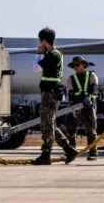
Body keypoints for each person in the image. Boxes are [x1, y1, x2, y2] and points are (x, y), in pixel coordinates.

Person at [31, 27, 78, 165]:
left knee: (47, 124)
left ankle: (46, 154)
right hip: (51, 92)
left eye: (40, 42)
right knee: (50, 123)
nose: (39, 44)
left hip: (50, 93)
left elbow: (35, 68)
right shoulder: (55, 54)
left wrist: (38, 53)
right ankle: (69, 149)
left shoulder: (52, 55)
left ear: (44, 41)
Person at [65, 55, 99, 161]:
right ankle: (72, 150)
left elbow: (95, 90)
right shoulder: (71, 78)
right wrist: (72, 107)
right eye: (74, 65)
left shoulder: (91, 75)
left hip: (88, 106)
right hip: (76, 106)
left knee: (91, 129)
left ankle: (93, 152)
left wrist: (89, 98)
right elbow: (70, 94)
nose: (75, 67)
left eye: (77, 65)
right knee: (70, 128)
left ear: (83, 65)